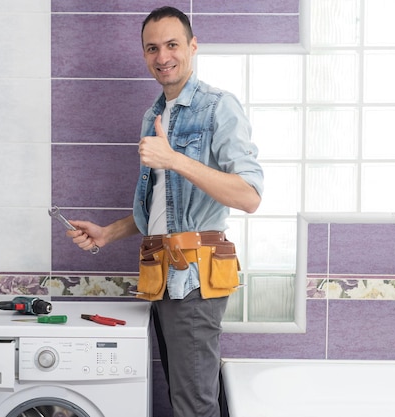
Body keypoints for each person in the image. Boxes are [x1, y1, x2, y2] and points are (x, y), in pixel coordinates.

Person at [67, 6, 264, 417]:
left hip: (193, 279)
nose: (163, 56)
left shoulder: (218, 107)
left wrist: (174, 159)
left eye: (173, 44)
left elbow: (249, 195)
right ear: (144, 55)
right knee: (182, 397)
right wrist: (108, 233)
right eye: (152, 48)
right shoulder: (153, 115)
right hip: (161, 276)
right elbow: (159, 211)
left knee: (193, 406)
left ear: (193, 47)